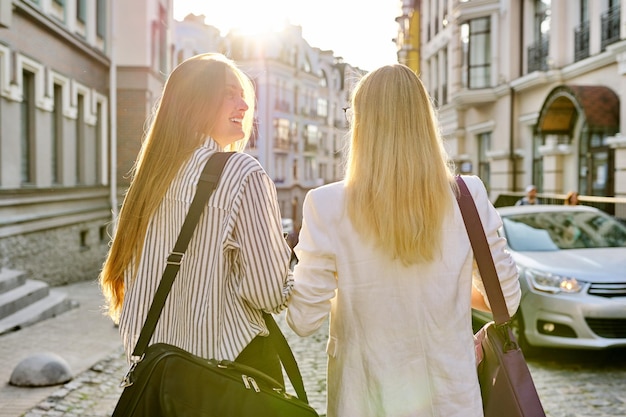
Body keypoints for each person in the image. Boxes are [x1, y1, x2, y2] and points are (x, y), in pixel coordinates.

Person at [286, 64, 521, 417]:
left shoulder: (326, 204)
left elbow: (303, 319)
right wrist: (447, 289)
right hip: (452, 401)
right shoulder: (467, 196)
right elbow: (507, 300)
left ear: (362, 123)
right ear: (425, 121)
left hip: (365, 401)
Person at [99, 53, 293, 383]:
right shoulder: (242, 173)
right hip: (231, 376)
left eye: (243, 96)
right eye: (229, 93)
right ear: (195, 102)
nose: (244, 107)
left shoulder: (151, 179)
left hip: (160, 378)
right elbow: (268, 294)